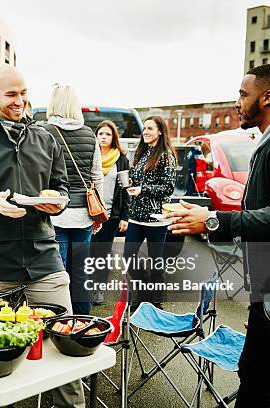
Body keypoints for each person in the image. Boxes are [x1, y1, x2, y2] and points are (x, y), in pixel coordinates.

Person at [167, 64, 270, 407]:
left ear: (267, 97)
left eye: (242, 94)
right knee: (254, 381)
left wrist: (213, 220)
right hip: (267, 295)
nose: (237, 102)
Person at [0, 64, 85, 408]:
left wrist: (59, 201)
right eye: (11, 94)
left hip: (44, 258)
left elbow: (61, 186)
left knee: (63, 355)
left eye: (23, 93)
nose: (19, 100)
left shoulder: (46, 138)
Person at [42, 84, 103, 315]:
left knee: (58, 273)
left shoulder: (45, 132)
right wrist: (99, 212)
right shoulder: (89, 134)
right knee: (80, 271)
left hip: (55, 212)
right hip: (84, 215)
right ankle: (84, 320)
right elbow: (97, 176)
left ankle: (60, 320)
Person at [124, 115, 176, 309]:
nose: (145, 132)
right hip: (137, 216)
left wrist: (143, 189)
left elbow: (168, 188)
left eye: (150, 129)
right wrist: (132, 184)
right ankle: (143, 289)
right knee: (129, 257)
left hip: (156, 218)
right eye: (144, 128)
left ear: (160, 132)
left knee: (156, 261)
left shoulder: (166, 155)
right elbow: (138, 179)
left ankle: (156, 301)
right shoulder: (142, 152)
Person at [91, 120, 131, 305]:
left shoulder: (121, 160)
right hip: (92, 213)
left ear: (113, 137)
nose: (104, 137)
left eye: (107, 134)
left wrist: (125, 216)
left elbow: (125, 190)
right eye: (101, 134)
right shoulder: (91, 156)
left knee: (103, 253)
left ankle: (99, 288)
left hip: (111, 216)